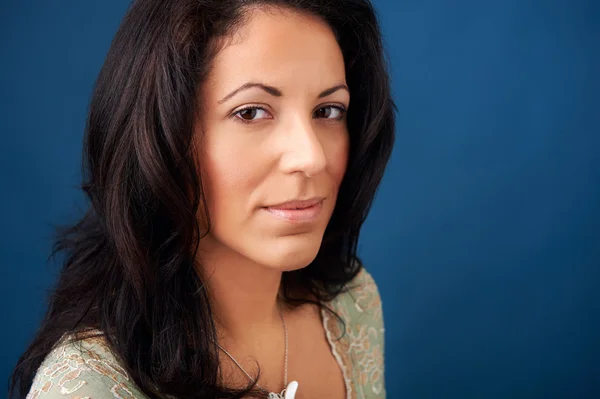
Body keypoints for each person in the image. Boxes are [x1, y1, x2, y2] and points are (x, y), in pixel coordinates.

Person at [9, 0, 395, 398]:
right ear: (161, 135)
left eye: (328, 110)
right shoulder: (90, 386)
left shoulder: (352, 304)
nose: (312, 156)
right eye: (251, 113)